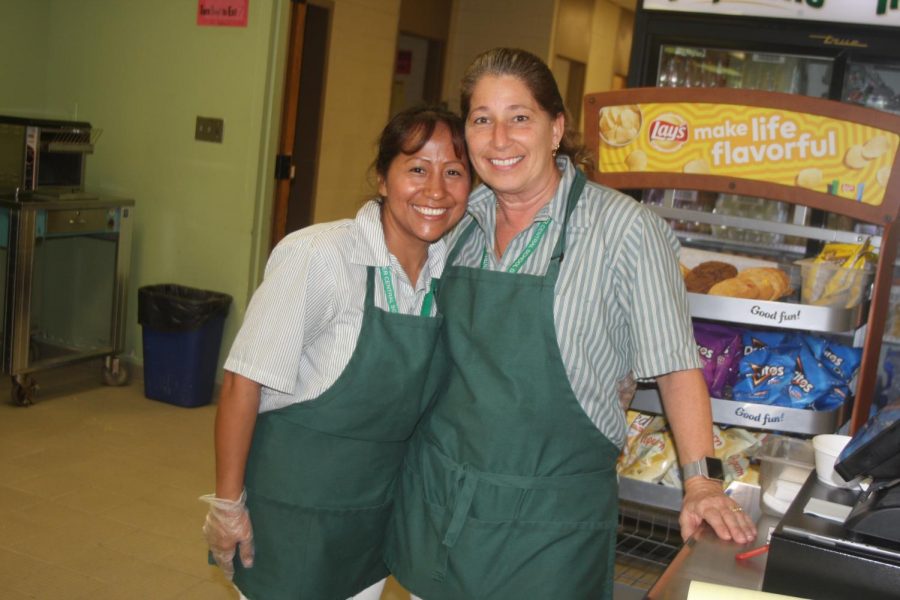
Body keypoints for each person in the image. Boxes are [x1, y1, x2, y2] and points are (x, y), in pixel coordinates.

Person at [385, 48, 757, 599]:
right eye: (482, 119)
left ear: (556, 128)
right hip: (444, 503)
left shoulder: (626, 230)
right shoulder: (458, 219)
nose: (499, 139)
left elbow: (678, 365)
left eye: (520, 117)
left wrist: (702, 482)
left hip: (550, 527)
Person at [200, 105, 471, 600]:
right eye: (416, 169)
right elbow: (244, 382)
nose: (436, 190)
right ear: (382, 178)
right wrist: (228, 505)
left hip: (375, 517)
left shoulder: (451, 275)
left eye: (454, 172)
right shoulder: (319, 255)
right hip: (292, 513)